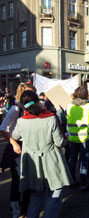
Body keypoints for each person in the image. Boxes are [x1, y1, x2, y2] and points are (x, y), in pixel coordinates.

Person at [12, 90, 72, 218]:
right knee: (55, 192)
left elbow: (15, 135)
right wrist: (66, 137)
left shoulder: (22, 121)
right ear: (39, 102)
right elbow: (60, 142)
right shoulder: (50, 118)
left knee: (36, 194)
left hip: (32, 162)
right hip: (51, 159)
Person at [0, 83, 36, 218]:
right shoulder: (15, 109)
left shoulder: (31, 108)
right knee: (18, 180)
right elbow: (3, 128)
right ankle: (15, 211)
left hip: (29, 148)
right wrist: (14, 143)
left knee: (28, 180)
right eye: (30, 93)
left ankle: (25, 208)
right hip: (17, 148)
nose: (34, 96)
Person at [66, 86, 89, 192]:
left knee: (72, 160)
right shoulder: (88, 106)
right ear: (86, 95)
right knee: (83, 161)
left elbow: (64, 119)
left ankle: (71, 181)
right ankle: (83, 184)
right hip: (86, 138)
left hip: (72, 137)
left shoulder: (69, 105)